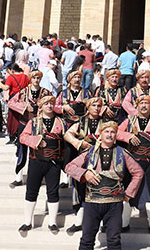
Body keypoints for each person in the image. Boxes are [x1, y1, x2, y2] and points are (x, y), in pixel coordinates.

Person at [64, 121, 143, 250]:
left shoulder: (123, 153)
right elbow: (69, 166)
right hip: (92, 202)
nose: (110, 135)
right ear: (100, 134)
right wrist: (84, 173)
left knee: (114, 239)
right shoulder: (90, 152)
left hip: (114, 204)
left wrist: (129, 194)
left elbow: (138, 172)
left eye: (113, 132)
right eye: (106, 131)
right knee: (87, 238)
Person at [117, 95, 150, 233]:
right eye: (141, 103)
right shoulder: (129, 121)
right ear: (137, 106)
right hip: (132, 162)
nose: (144, 106)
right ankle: (124, 223)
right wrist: (128, 136)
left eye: (147, 103)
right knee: (128, 189)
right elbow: (115, 132)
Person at [18, 96, 65, 234]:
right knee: (32, 190)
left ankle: (52, 222)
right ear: (41, 106)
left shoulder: (60, 122)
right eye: (46, 104)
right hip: (36, 161)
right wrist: (36, 140)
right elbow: (22, 137)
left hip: (53, 162)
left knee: (53, 191)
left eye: (51, 103)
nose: (49, 106)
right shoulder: (33, 122)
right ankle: (27, 221)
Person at [63, 97, 104, 234]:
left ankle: (102, 222)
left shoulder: (106, 123)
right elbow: (67, 134)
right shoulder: (80, 121)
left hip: (101, 161)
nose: (97, 108)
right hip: (83, 160)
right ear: (88, 107)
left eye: (99, 106)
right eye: (94, 105)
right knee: (80, 190)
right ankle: (79, 221)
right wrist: (79, 143)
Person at [7, 71, 51, 187]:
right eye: (34, 78)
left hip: (39, 124)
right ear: (30, 79)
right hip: (25, 122)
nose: (36, 80)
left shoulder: (45, 92)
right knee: (22, 150)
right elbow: (11, 102)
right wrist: (25, 107)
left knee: (40, 149)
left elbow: (52, 104)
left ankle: (39, 176)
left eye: (38, 78)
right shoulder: (24, 92)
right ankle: (18, 176)